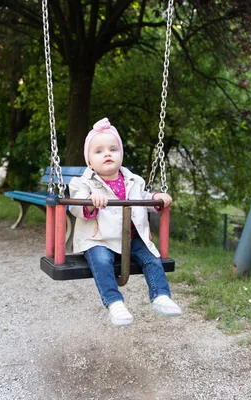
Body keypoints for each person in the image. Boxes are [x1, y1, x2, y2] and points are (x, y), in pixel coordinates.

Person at [69, 117, 182, 326]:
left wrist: (157, 198)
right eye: (99, 151)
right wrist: (91, 202)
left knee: (151, 257)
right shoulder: (82, 183)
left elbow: (143, 199)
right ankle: (115, 303)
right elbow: (76, 207)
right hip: (98, 239)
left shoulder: (134, 180)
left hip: (130, 236)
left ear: (121, 154)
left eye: (113, 149)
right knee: (101, 262)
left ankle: (161, 297)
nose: (107, 154)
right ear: (89, 161)